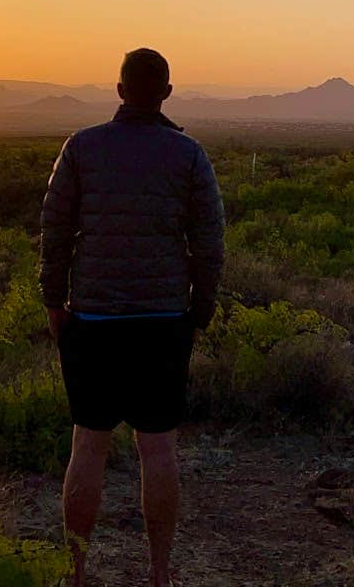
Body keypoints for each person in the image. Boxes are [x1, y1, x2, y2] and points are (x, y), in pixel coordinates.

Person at [40, 47, 225, 587]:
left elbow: (54, 234)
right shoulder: (189, 156)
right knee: (159, 447)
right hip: (164, 322)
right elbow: (209, 245)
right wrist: (201, 311)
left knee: (88, 445)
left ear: (120, 90)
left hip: (92, 320)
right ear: (166, 92)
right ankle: (160, 575)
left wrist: (55, 303)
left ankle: (76, 575)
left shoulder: (81, 148)